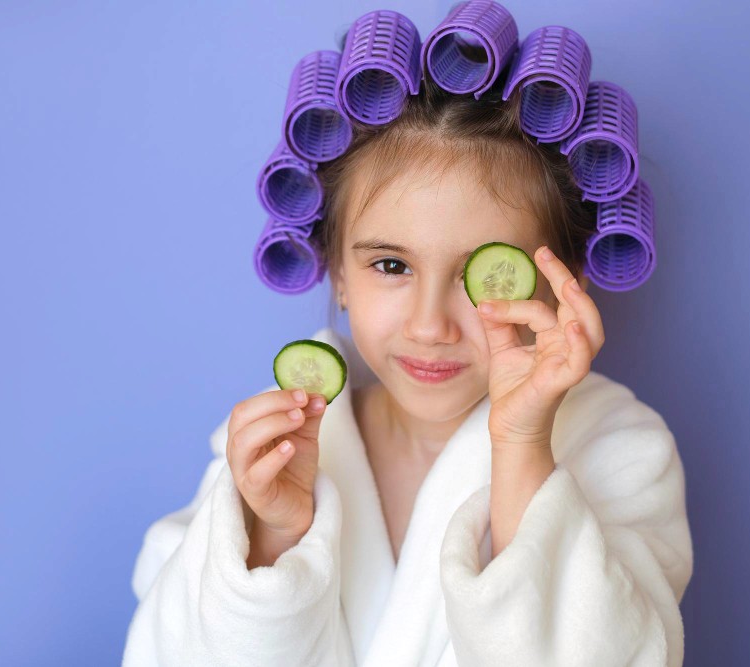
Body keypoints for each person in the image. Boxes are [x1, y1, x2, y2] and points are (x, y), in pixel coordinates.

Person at [122, 69, 693, 667]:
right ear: (338, 272)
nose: (429, 326)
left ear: (564, 283)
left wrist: (522, 443)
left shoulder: (622, 449)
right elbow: (171, 649)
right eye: (392, 266)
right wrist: (273, 536)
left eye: (484, 275)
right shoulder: (272, 447)